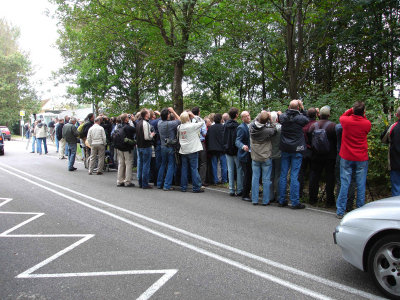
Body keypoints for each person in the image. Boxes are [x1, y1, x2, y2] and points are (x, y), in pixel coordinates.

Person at [336, 101, 371, 218]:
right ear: (363, 112)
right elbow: (365, 123)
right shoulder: (366, 123)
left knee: (345, 183)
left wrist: (351, 110)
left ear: (353, 110)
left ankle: (340, 211)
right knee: (361, 184)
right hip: (361, 157)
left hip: (346, 156)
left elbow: (342, 116)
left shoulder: (346, 121)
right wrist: (361, 113)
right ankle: (360, 210)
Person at [278, 100, 309, 209]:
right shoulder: (300, 118)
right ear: (298, 107)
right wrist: (302, 108)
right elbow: (307, 119)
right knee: (294, 175)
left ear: (289, 107)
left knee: (283, 174)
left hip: (285, 148)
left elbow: (281, 116)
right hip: (297, 149)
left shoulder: (283, 117)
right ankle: (295, 202)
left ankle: (281, 199)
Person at [307, 106, 337, 206]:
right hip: (330, 156)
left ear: (319, 115)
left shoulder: (313, 126)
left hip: (316, 155)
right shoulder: (333, 126)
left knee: (314, 176)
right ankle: (330, 201)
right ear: (329, 115)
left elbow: (309, 138)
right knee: (330, 178)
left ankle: (312, 199)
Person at [249, 111, 276, 205]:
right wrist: (270, 120)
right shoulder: (267, 131)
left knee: (255, 178)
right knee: (266, 179)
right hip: (266, 157)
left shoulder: (251, 127)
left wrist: (261, 114)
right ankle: (265, 200)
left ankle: (255, 199)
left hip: (255, 157)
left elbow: (254, 121)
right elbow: (274, 129)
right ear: (267, 121)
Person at [178, 111, 204, 193]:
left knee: (184, 169)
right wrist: (194, 115)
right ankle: (196, 187)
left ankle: (183, 187)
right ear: (187, 118)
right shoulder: (192, 126)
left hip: (184, 150)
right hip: (192, 149)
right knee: (194, 169)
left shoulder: (179, 127)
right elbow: (202, 122)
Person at [157, 107, 181, 191]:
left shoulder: (159, 123)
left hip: (163, 146)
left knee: (163, 164)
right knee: (171, 165)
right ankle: (167, 185)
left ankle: (159, 183)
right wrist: (173, 111)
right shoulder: (171, 124)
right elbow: (181, 120)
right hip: (170, 147)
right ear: (168, 115)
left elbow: (161, 117)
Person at [223, 107, 243, 197]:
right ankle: (239, 189)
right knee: (239, 169)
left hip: (227, 149)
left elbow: (223, 137)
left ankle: (231, 189)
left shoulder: (225, 125)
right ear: (236, 115)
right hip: (235, 149)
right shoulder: (238, 126)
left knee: (230, 169)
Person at [299, 107, 317, 199]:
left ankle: (299, 194)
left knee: (301, 172)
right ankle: (312, 197)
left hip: (302, 149)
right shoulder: (316, 125)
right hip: (312, 151)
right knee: (313, 173)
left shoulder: (303, 124)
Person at [382, 107, 400, 196]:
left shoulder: (393, 127)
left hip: (395, 162)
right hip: (395, 162)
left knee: (396, 188)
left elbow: (383, 138)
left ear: (397, 115)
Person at [136, 109, 155, 189]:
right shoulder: (146, 123)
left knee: (140, 164)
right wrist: (152, 135)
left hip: (139, 146)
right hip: (146, 146)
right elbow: (147, 137)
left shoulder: (138, 123)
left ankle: (140, 182)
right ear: (146, 115)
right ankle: (145, 183)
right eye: (148, 113)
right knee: (146, 165)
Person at [115, 114, 136, 187]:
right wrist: (133, 121)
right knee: (128, 164)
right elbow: (135, 130)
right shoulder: (128, 127)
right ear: (126, 119)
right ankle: (127, 181)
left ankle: (120, 180)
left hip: (119, 148)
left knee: (121, 164)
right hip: (127, 148)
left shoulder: (119, 127)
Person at [206, 113, 227, 186]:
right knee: (223, 165)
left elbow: (207, 137)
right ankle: (224, 180)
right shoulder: (223, 127)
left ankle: (215, 180)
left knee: (214, 165)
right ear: (221, 119)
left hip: (213, 149)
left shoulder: (211, 128)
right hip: (221, 148)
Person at [235, 111, 252, 201]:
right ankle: (245, 194)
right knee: (247, 175)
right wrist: (243, 146)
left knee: (250, 174)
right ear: (242, 118)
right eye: (246, 116)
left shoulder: (252, 125)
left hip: (251, 154)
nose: (248, 117)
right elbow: (237, 141)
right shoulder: (241, 128)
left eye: (248, 115)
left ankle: (247, 191)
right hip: (244, 155)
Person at [191, 107, 208, 187]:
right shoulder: (201, 121)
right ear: (199, 112)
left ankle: (193, 179)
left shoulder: (189, 120)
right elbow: (204, 133)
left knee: (194, 162)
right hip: (200, 142)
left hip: (191, 142)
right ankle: (201, 181)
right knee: (203, 162)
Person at [269, 111, 282, 202]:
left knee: (270, 176)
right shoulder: (281, 128)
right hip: (278, 154)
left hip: (269, 154)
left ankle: (270, 195)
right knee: (278, 175)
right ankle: (278, 196)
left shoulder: (266, 128)